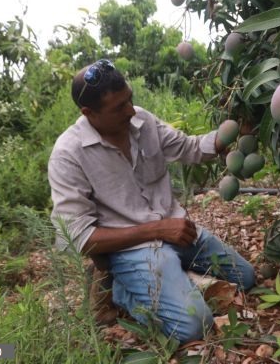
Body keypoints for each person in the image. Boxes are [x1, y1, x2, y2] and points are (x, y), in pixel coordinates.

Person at [48, 59, 255, 343]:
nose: (130, 110)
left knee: (247, 277)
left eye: (129, 99)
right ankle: (121, 290)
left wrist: (232, 133)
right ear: (89, 113)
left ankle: (173, 279)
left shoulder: (142, 121)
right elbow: (78, 238)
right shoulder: (68, 155)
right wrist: (158, 230)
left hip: (178, 233)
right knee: (194, 327)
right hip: (132, 250)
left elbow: (189, 147)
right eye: (118, 107)